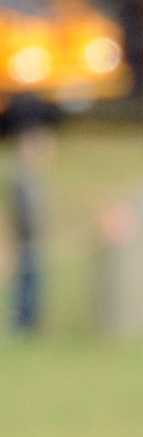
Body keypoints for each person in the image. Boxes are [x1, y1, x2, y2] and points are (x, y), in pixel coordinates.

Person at [8, 124, 50, 338]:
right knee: (25, 285)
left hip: (33, 241)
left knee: (34, 284)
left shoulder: (34, 179)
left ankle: (31, 325)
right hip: (25, 241)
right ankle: (21, 326)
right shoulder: (21, 180)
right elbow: (21, 213)